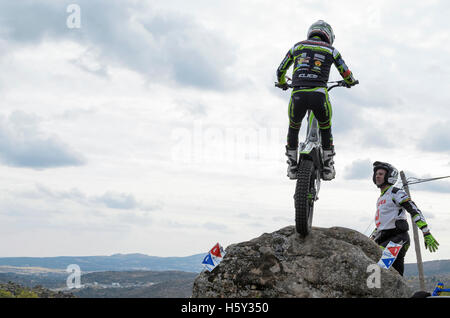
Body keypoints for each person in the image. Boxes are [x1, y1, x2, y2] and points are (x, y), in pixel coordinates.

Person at [275, 20, 358, 180]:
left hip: (297, 94)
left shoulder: (296, 47)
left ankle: (292, 166)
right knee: (326, 127)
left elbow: (280, 70)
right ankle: (328, 166)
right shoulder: (331, 50)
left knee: (293, 127)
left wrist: (283, 83)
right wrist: (350, 82)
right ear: (329, 36)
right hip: (319, 95)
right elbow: (345, 71)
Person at [370, 161, 439, 276]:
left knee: (380, 269)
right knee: (395, 275)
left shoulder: (396, 192)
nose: (377, 176)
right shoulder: (380, 199)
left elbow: (414, 210)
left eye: (381, 174)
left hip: (398, 239)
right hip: (384, 238)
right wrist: (371, 238)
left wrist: (426, 232)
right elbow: (381, 224)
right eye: (376, 174)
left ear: (389, 176)